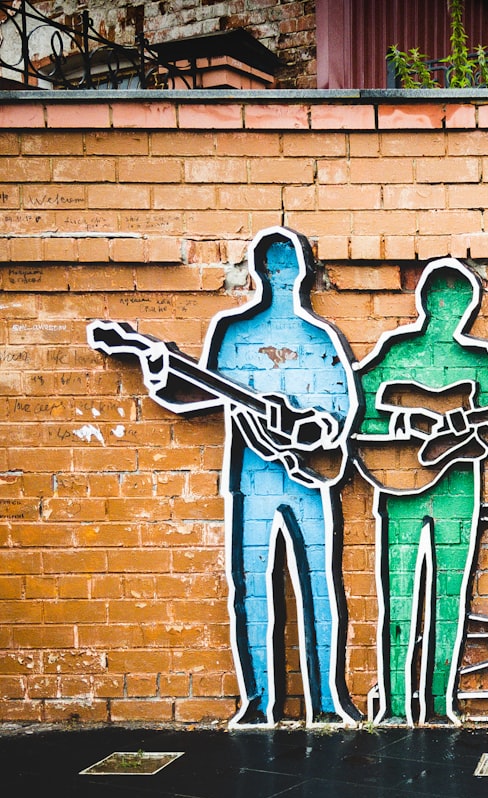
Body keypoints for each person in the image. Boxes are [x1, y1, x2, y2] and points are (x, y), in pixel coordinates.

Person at [94, 227, 361, 727]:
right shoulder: (231, 333)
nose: (281, 274)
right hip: (248, 480)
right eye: (271, 264)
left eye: (288, 265)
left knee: (319, 588)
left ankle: (327, 700)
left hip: (309, 480)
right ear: (257, 271)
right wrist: (159, 371)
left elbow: (342, 414)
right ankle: (258, 702)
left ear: (303, 272)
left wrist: (309, 426)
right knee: (250, 589)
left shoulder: (321, 337)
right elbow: (195, 396)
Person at [352, 258, 488, 724]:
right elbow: (355, 407)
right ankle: (397, 704)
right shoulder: (396, 354)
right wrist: (405, 424)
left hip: (458, 486)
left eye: (459, 304)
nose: (451, 312)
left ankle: (440, 702)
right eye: (445, 302)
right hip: (398, 482)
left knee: (450, 597)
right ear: (425, 302)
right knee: (398, 594)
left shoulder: (479, 361)